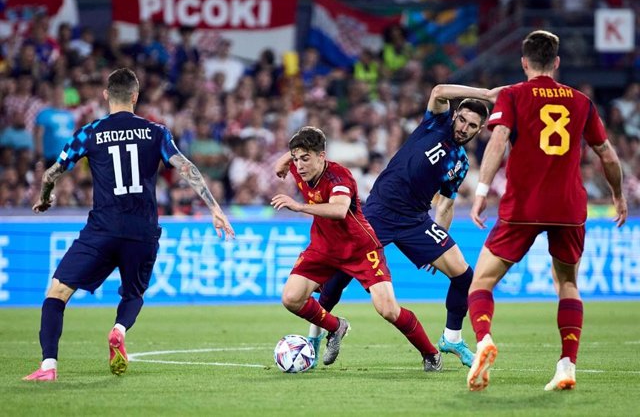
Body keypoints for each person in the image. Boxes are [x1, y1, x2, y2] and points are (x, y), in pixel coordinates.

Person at [23, 68, 235, 381]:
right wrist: (215, 208)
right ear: (135, 96)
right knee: (133, 294)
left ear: (106, 95)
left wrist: (45, 197)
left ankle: (48, 368)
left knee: (56, 293)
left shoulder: (91, 132)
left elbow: (51, 173)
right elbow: (186, 168)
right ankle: (119, 329)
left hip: (102, 229)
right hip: (143, 231)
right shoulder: (156, 131)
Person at [466, 30, 627, 392]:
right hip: (569, 207)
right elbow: (608, 155)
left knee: (482, 282)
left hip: (523, 206)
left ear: (524, 62)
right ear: (556, 63)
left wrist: (480, 191)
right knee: (568, 283)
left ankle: (484, 340)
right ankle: (567, 364)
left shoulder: (512, 94)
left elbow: (498, 140)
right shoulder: (582, 101)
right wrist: (618, 196)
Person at [308, 84, 503, 370]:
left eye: (472, 125)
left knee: (464, 276)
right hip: (378, 212)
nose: (463, 127)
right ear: (455, 115)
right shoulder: (435, 123)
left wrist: (440, 241)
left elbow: (446, 205)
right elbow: (437, 91)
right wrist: (486, 93)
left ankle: (452, 338)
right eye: (461, 119)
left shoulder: (460, 163)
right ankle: (314, 337)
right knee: (338, 275)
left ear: (479, 129)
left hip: (416, 221)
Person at [272, 126, 442, 371]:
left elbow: (339, 210)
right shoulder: (303, 167)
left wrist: (298, 207)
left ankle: (431, 354)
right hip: (323, 248)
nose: (299, 166)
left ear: (322, 156)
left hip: (360, 249)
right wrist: (284, 159)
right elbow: (299, 149)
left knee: (387, 309)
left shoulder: (339, 177)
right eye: (296, 159)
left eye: (305, 159)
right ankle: (336, 327)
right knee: (291, 298)